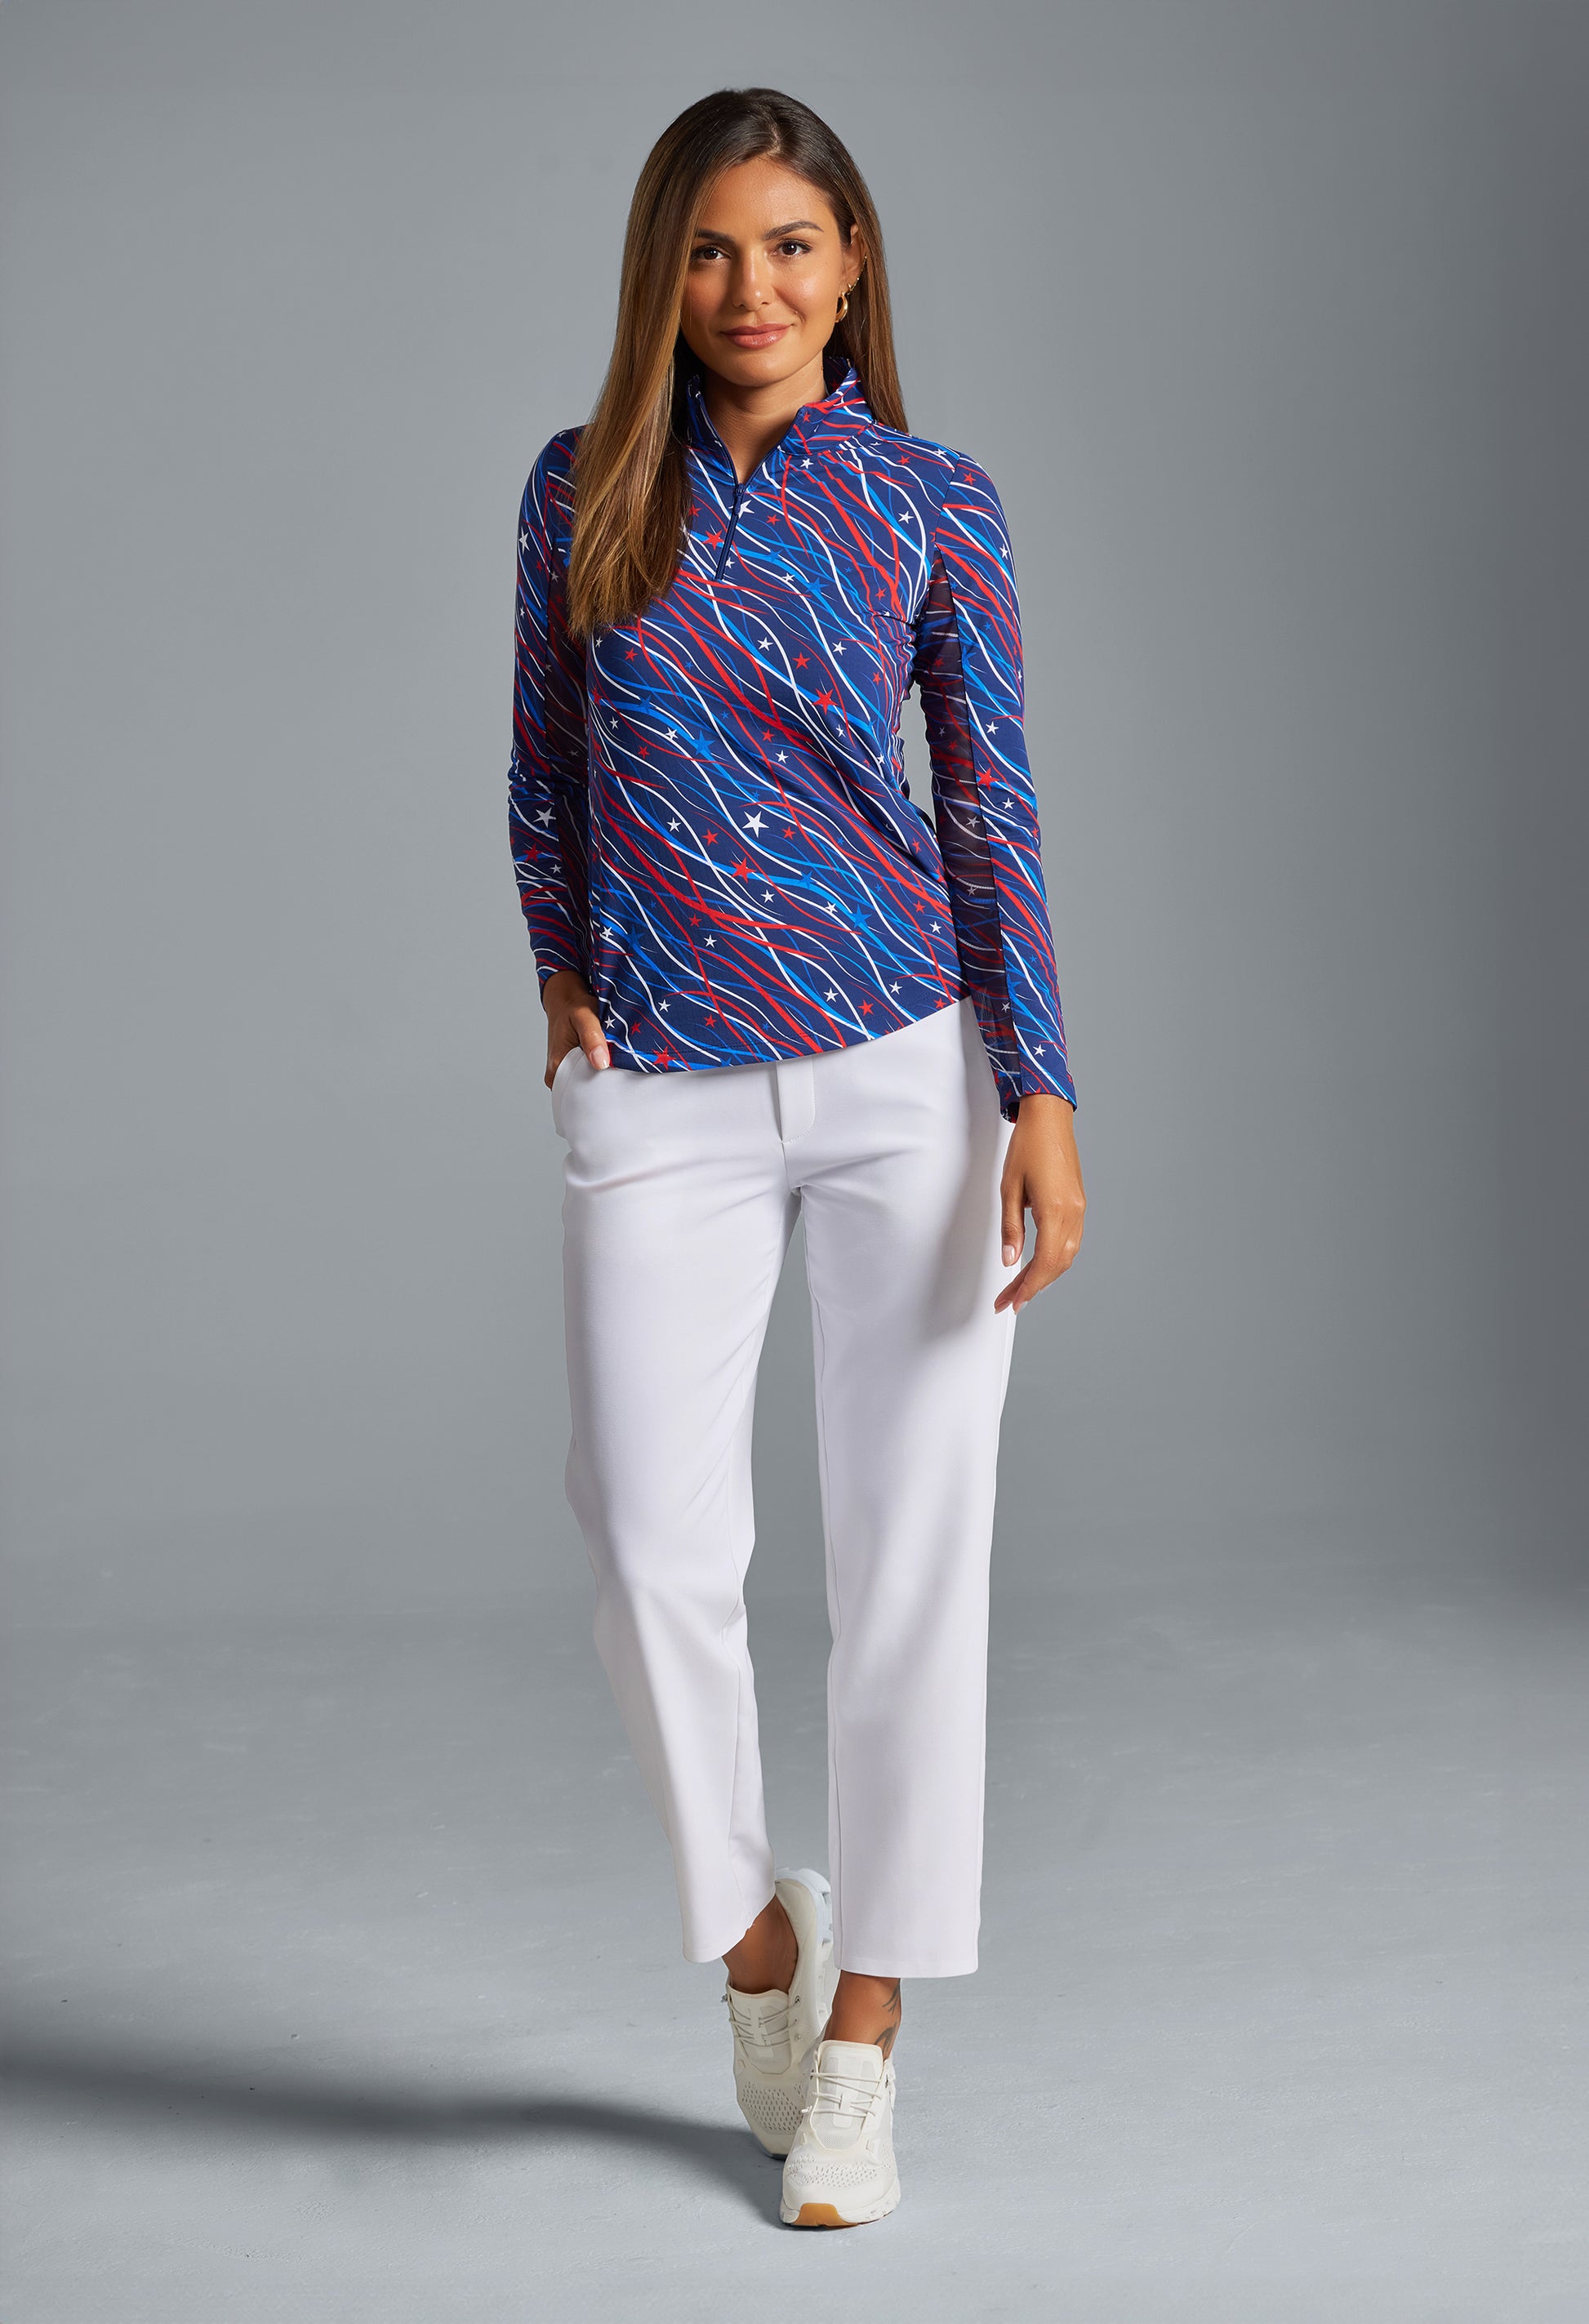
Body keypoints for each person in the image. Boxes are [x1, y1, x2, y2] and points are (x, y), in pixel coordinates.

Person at [508, 85, 1085, 2228]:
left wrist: (1041, 1088)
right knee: (646, 1545)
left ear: (849, 273)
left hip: (902, 1076)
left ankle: (862, 2034)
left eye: (790, 246)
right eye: (709, 249)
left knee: (911, 1557)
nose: (750, 287)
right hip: (660, 1086)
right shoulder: (582, 486)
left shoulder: (930, 498)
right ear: (661, 275)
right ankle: (758, 1937)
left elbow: (988, 802)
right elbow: (541, 769)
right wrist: (560, 973)